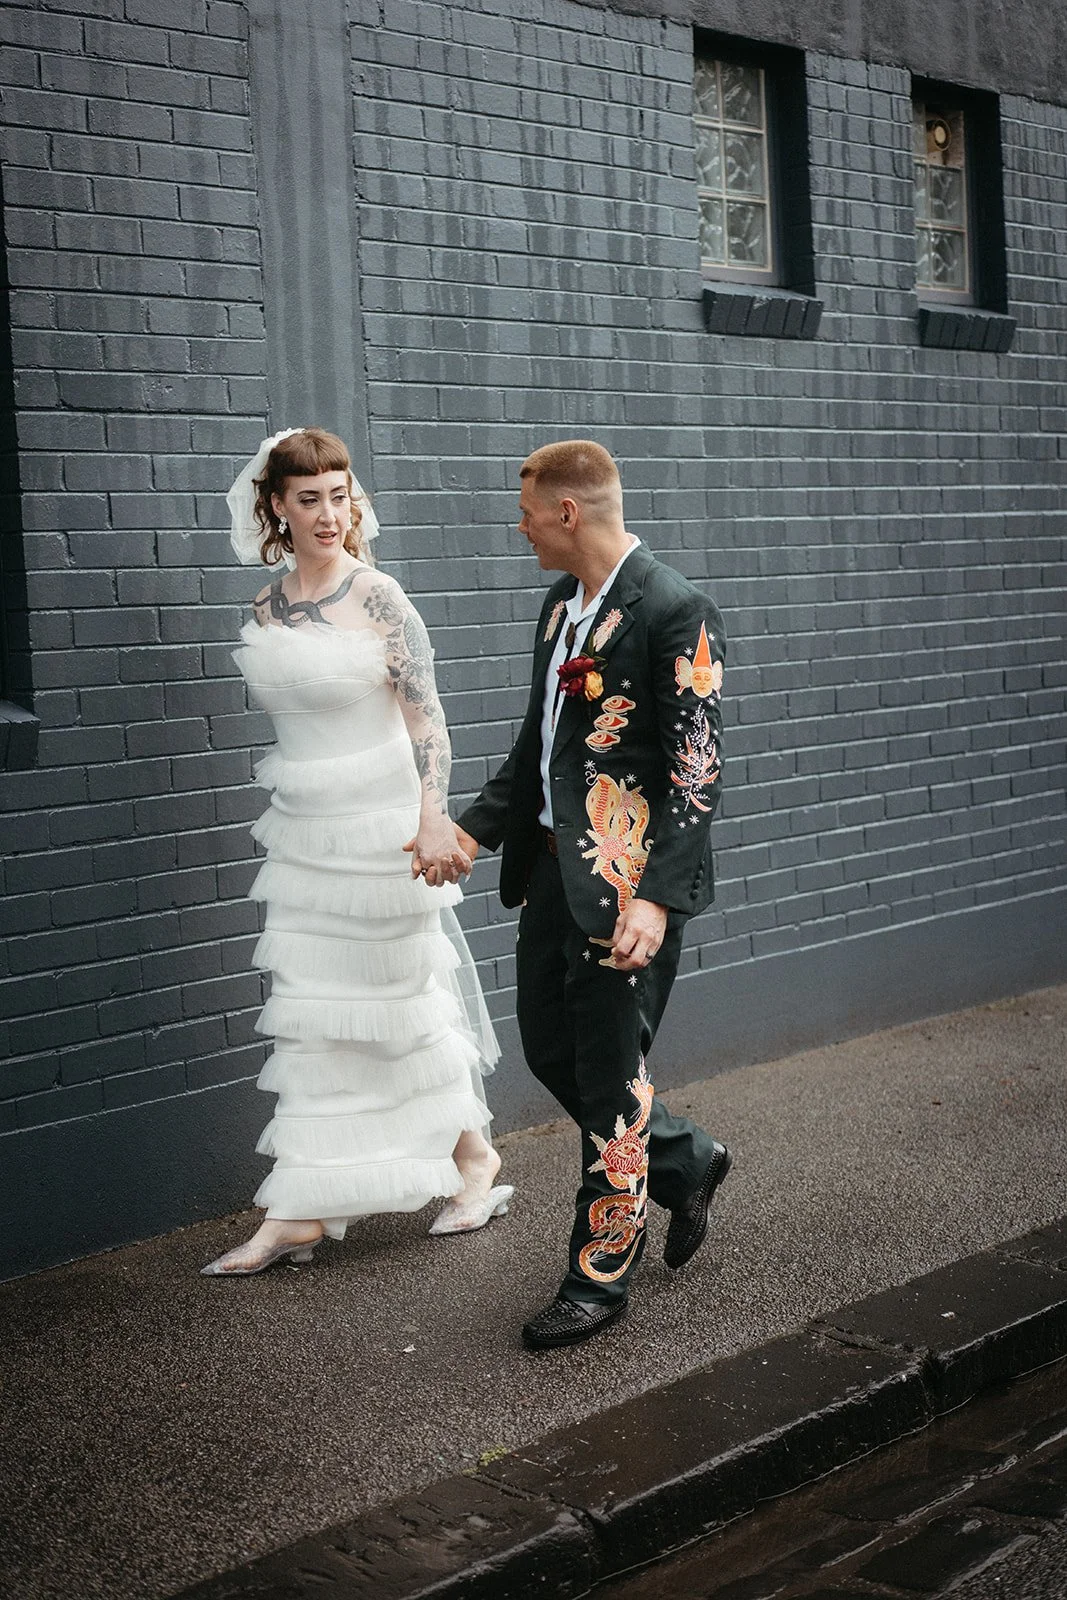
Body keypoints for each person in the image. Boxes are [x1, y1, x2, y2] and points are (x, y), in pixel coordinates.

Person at [201, 427, 511, 1276]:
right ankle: (300, 1211)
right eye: (310, 499)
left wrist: (435, 816)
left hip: (384, 832)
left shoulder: (378, 597)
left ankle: (473, 1160)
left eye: (341, 495)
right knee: (315, 1019)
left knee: (400, 1008)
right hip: (304, 836)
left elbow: (427, 719)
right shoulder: (265, 608)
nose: (330, 513)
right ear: (276, 506)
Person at [456, 440, 731, 1349]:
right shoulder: (558, 608)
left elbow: (694, 775)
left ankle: (599, 1276)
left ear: (566, 512)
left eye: (527, 510)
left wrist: (656, 898)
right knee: (549, 1053)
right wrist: (473, 831)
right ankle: (684, 1157)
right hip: (547, 882)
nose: (520, 524)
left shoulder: (673, 609)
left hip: (623, 892)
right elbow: (539, 746)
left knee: (610, 1084)